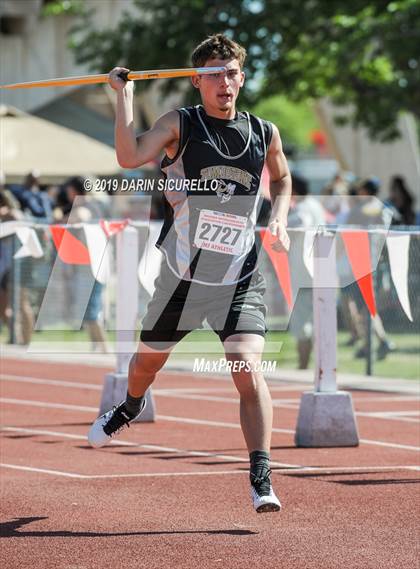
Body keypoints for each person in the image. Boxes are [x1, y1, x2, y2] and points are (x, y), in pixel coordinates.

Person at [88, 34, 291, 513]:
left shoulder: (265, 132)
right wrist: (124, 99)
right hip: (181, 278)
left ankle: (261, 474)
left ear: (242, 77)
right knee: (145, 366)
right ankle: (132, 404)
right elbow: (128, 157)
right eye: (215, 74)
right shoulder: (180, 124)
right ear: (196, 80)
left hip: (238, 278)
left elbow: (281, 177)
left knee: (247, 367)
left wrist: (279, 215)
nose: (226, 82)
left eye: (233, 72)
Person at [287, 174, 326, 369]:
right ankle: (317, 365)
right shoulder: (316, 205)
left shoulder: (303, 209)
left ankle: (303, 365)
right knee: (318, 320)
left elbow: (299, 223)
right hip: (319, 269)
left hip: (305, 273)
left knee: (302, 322)